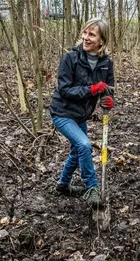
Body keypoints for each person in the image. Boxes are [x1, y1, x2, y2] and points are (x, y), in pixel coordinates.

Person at [49, 18, 115, 206]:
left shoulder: (106, 63)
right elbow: (64, 90)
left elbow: (110, 89)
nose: (86, 38)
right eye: (85, 33)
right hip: (62, 112)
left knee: (78, 151)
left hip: (81, 115)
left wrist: (109, 101)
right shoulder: (71, 58)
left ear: (102, 41)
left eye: (92, 34)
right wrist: (91, 90)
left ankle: (63, 185)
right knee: (84, 145)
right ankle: (91, 187)